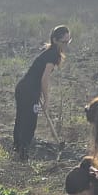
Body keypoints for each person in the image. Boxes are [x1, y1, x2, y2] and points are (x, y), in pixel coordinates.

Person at [13, 25, 70, 158]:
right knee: (29, 121)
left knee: (22, 119)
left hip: (24, 88)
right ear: (55, 40)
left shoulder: (49, 52)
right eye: (64, 42)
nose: (66, 45)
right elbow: (44, 79)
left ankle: (18, 148)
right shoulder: (52, 55)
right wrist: (46, 99)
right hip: (29, 91)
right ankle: (22, 153)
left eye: (68, 41)